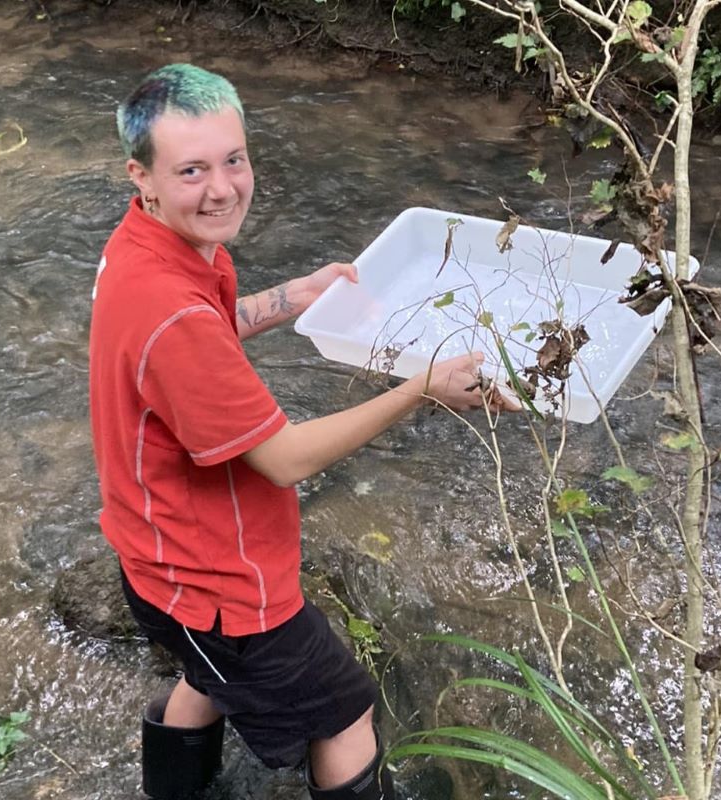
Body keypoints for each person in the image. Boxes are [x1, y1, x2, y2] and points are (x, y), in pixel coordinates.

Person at [89, 63, 510, 800]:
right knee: (345, 713)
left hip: (153, 560)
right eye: (192, 170)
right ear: (143, 175)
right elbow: (282, 460)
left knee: (207, 678)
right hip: (217, 590)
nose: (222, 188)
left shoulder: (141, 249)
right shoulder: (173, 310)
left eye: (234, 159)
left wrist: (295, 297)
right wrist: (420, 388)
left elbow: (199, 337)